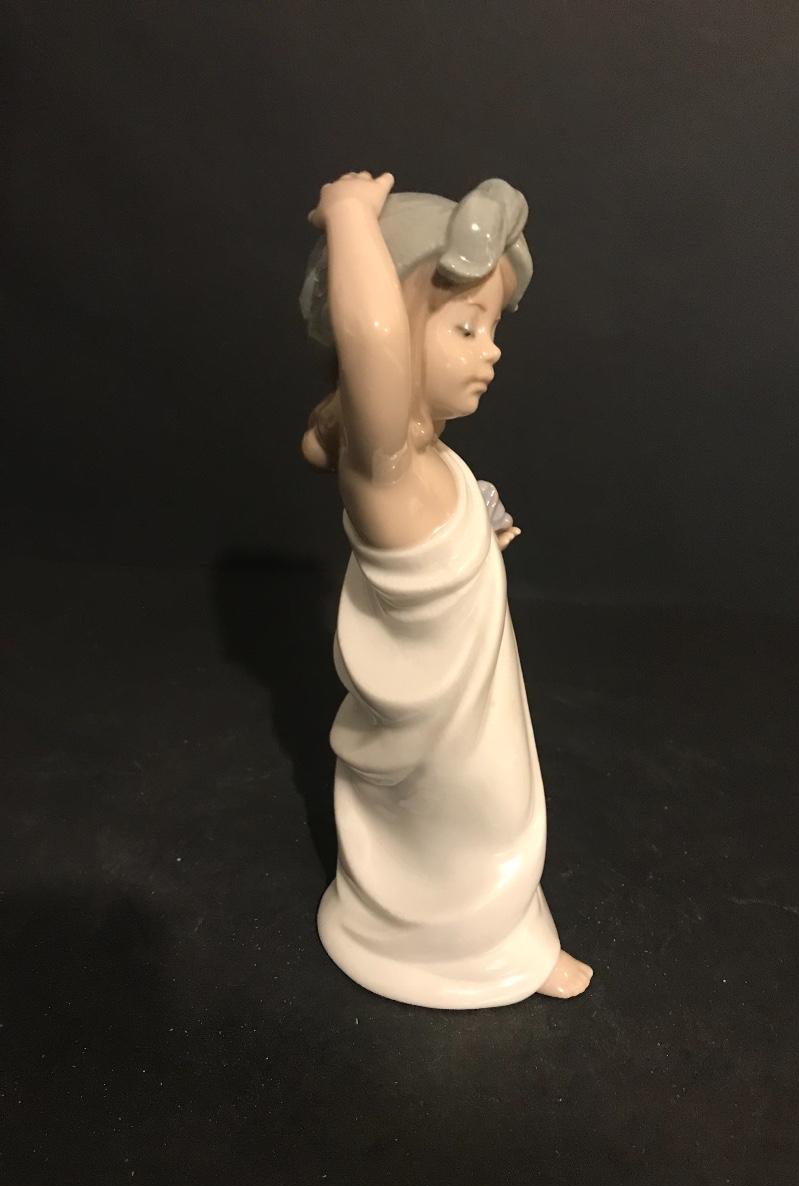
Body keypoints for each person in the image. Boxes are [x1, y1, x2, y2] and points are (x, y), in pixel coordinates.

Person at [300, 170, 592, 1008]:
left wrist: (481, 536)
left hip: (473, 707)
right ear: (392, 334)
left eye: (492, 329)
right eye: (466, 326)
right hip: (441, 730)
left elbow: (446, 544)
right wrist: (351, 219)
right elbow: (371, 342)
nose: (490, 351)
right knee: (480, 822)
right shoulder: (383, 469)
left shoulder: (427, 463)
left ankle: (510, 945)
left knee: (493, 819)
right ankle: (458, 947)